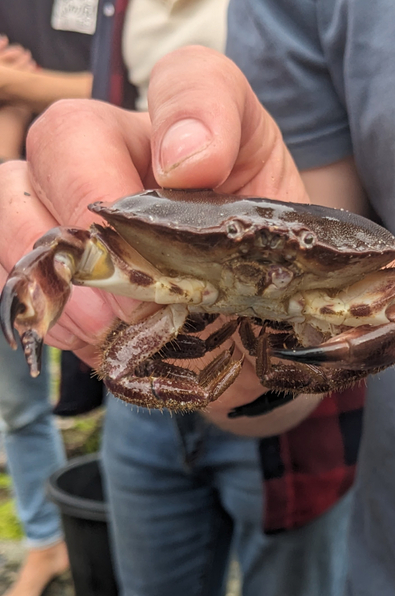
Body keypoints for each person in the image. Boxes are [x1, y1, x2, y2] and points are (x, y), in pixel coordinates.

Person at [2, 3, 395, 596]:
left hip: (337, 470)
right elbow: (61, 249)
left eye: (296, 249)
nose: (267, 257)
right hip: (171, 313)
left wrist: (299, 367)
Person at [0, 3, 93, 594]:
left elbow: (118, 87)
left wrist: (16, 82)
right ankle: (45, 539)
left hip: (83, 224)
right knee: (19, 403)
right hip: (15, 217)